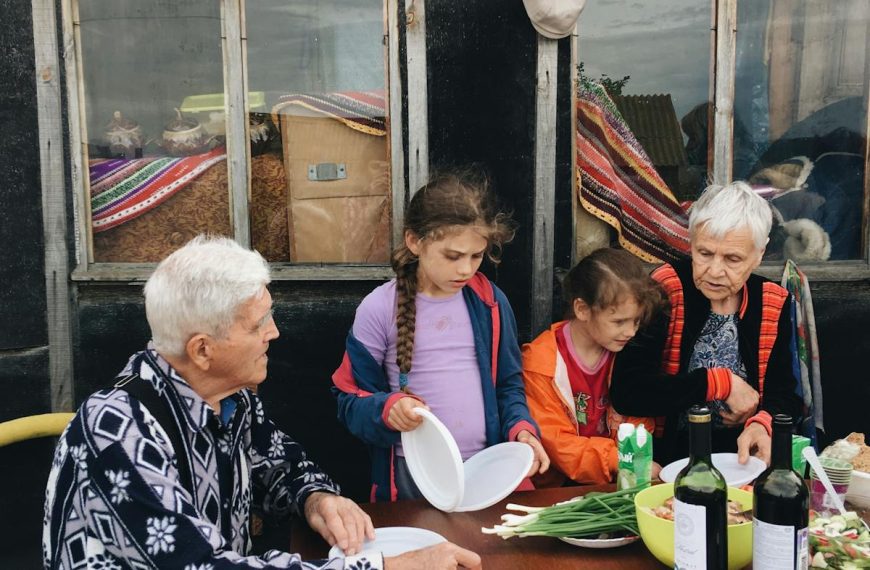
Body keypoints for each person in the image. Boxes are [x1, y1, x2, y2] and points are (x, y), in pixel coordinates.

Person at [43, 235, 481, 570]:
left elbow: (281, 463)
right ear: (202, 350)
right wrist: (388, 567)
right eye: (258, 324)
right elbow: (202, 566)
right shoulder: (117, 431)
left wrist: (317, 498)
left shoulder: (231, 399)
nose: (274, 332)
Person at [332, 170, 550, 501]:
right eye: (452, 256)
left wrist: (522, 430)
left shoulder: (490, 302)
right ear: (414, 241)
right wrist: (387, 409)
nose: (466, 269)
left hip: (487, 469)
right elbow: (349, 401)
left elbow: (508, 386)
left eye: (476, 256)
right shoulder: (379, 308)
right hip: (413, 476)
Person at [609, 181, 803, 466]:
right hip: (668, 460)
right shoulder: (666, 289)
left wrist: (762, 424)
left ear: (759, 254)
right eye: (705, 253)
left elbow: (785, 394)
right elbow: (629, 392)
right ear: (692, 244)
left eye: (732, 258)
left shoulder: (772, 301)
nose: (715, 271)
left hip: (741, 460)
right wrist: (717, 383)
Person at [522, 248, 664, 486]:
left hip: (620, 481)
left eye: (636, 321)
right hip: (556, 488)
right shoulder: (541, 363)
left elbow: (639, 416)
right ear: (582, 309)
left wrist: (632, 457)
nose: (631, 331)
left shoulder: (629, 351)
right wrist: (618, 459)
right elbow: (556, 442)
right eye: (619, 321)